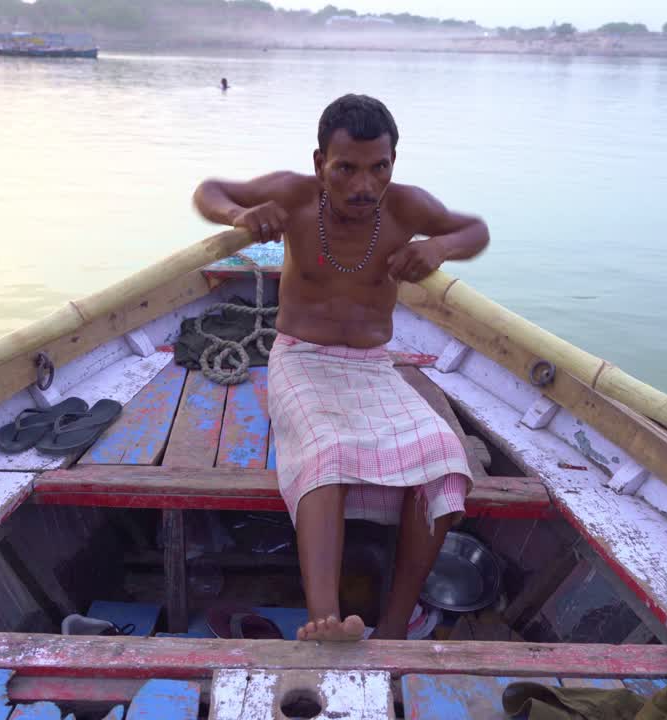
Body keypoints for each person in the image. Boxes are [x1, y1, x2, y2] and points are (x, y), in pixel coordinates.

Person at [193, 94, 490, 641]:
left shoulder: (406, 207)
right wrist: (240, 214)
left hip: (374, 367)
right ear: (318, 163)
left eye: (379, 168)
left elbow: (475, 229)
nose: (363, 185)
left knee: (446, 456)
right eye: (346, 168)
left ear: (393, 164)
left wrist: (441, 247)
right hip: (301, 359)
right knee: (327, 450)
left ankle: (397, 626)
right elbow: (209, 190)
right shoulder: (294, 194)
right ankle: (325, 619)